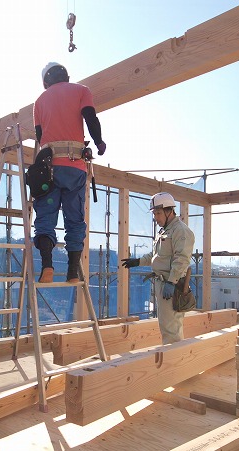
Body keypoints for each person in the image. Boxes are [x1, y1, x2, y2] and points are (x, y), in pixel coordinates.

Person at [32, 62, 106, 283]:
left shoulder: (39, 101)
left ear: (46, 82)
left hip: (47, 169)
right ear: (66, 75)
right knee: (74, 220)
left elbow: (39, 135)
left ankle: (47, 267)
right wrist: (99, 142)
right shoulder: (81, 90)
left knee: (45, 218)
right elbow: (90, 118)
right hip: (74, 167)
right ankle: (73, 272)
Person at [121, 192, 195, 344]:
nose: (156, 217)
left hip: (171, 286)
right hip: (163, 284)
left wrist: (172, 282)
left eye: (158, 213)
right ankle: (172, 359)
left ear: (170, 211)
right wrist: (138, 261)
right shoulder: (165, 230)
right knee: (167, 325)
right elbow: (157, 256)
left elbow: (182, 259)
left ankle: (172, 363)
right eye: (154, 213)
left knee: (171, 329)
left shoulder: (180, 231)